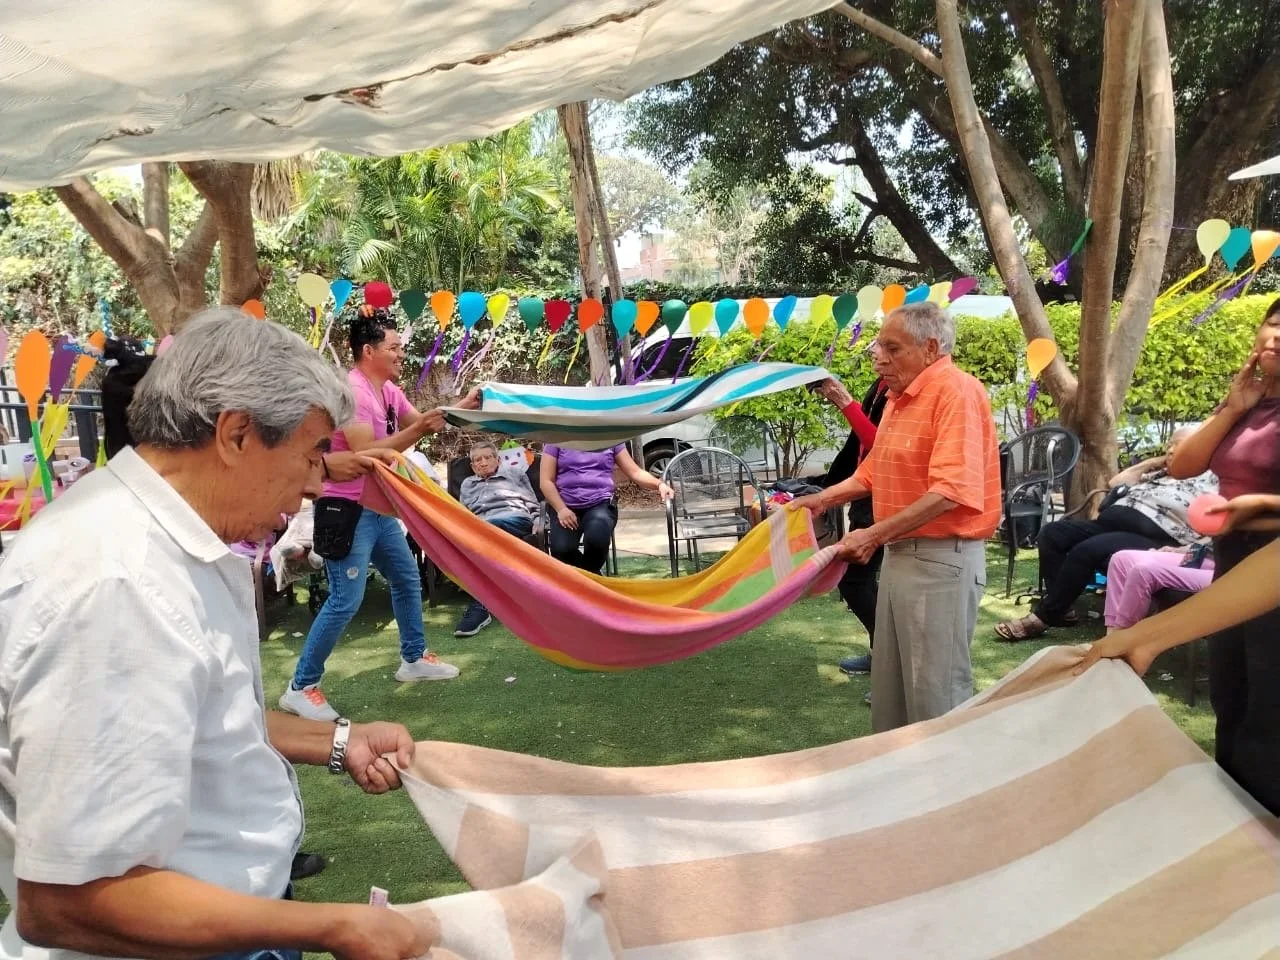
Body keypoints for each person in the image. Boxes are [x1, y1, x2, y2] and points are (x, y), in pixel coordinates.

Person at [0, 310, 435, 960]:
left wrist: (337, 741)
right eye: (311, 452)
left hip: (227, 922)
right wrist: (334, 927)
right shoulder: (117, 583)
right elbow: (70, 899)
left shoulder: (161, 544)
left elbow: (204, 712)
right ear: (236, 434)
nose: (317, 482)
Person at [792, 302, 1001, 733]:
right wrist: (822, 500)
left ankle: (942, 778)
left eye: (892, 348)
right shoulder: (898, 398)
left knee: (935, 697)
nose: (878, 358)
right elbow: (875, 468)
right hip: (903, 555)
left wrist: (872, 535)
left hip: (940, 561)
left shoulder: (956, 392)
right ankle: (898, 774)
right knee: (892, 693)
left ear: (930, 348)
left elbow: (951, 490)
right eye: (878, 347)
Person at [281, 306, 477, 721]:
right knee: (344, 601)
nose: (401, 354)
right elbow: (366, 452)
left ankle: (414, 659)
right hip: (346, 509)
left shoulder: (388, 390)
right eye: (394, 347)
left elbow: (420, 423)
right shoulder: (352, 391)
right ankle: (300, 687)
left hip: (379, 510)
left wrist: (463, 407)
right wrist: (417, 431)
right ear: (368, 351)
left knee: (406, 579)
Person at [1151, 296, 1280, 814]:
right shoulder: (1251, 404)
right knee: (1230, 691)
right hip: (1231, 556)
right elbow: (1182, 466)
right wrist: (1233, 407)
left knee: (1269, 703)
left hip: (1272, 564)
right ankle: (1228, 813)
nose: (1274, 337)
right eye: (1271, 325)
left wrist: (1258, 507)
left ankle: (1262, 826)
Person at [994, 426, 1214, 641]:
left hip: (1155, 535)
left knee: (1086, 550)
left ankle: (1043, 617)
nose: (1171, 450)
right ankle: (1062, 608)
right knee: (1052, 533)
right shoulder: (1162, 472)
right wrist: (1152, 462)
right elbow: (1115, 483)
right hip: (1110, 525)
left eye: (1179, 445)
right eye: (1169, 445)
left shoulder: (1208, 477)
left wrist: (1190, 547)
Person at [814, 376, 889, 680]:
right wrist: (826, 490)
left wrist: (846, 402)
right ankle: (884, 655)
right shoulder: (883, 383)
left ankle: (887, 659)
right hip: (868, 497)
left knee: (856, 579)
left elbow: (882, 450)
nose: (877, 355)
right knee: (860, 580)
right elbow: (861, 446)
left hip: (886, 502)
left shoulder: (910, 390)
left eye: (890, 351)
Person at [540, 443, 673, 574]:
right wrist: (561, 509)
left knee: (597, 539)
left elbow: (635, 472)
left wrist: (659, 484)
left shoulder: (610, 438)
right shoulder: (556, 439)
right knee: (562, 550)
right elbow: (546, 481)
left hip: (600, 504)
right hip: (565, 506)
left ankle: (589, 580)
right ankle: (593, 578)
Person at [453, 441, 542, 637]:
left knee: (488, 531)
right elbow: (463, 514)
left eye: (487, 457)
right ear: (472, 466)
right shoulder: (467, 484)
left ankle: (479, 606)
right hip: (481, 529)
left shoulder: (514, 474)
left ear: (497, 459)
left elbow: (533, 504)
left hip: (515, 520)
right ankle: (485, 603)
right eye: (477, 460)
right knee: (483, 535)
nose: (483, 463)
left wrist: (538, 522)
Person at [1103, 545, 1214, 632]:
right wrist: (1184, 548)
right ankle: (1111, 635)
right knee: (1121, 560)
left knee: (1143, 572)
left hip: (1222, 573)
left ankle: (1118, 640)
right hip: (1205, 553)